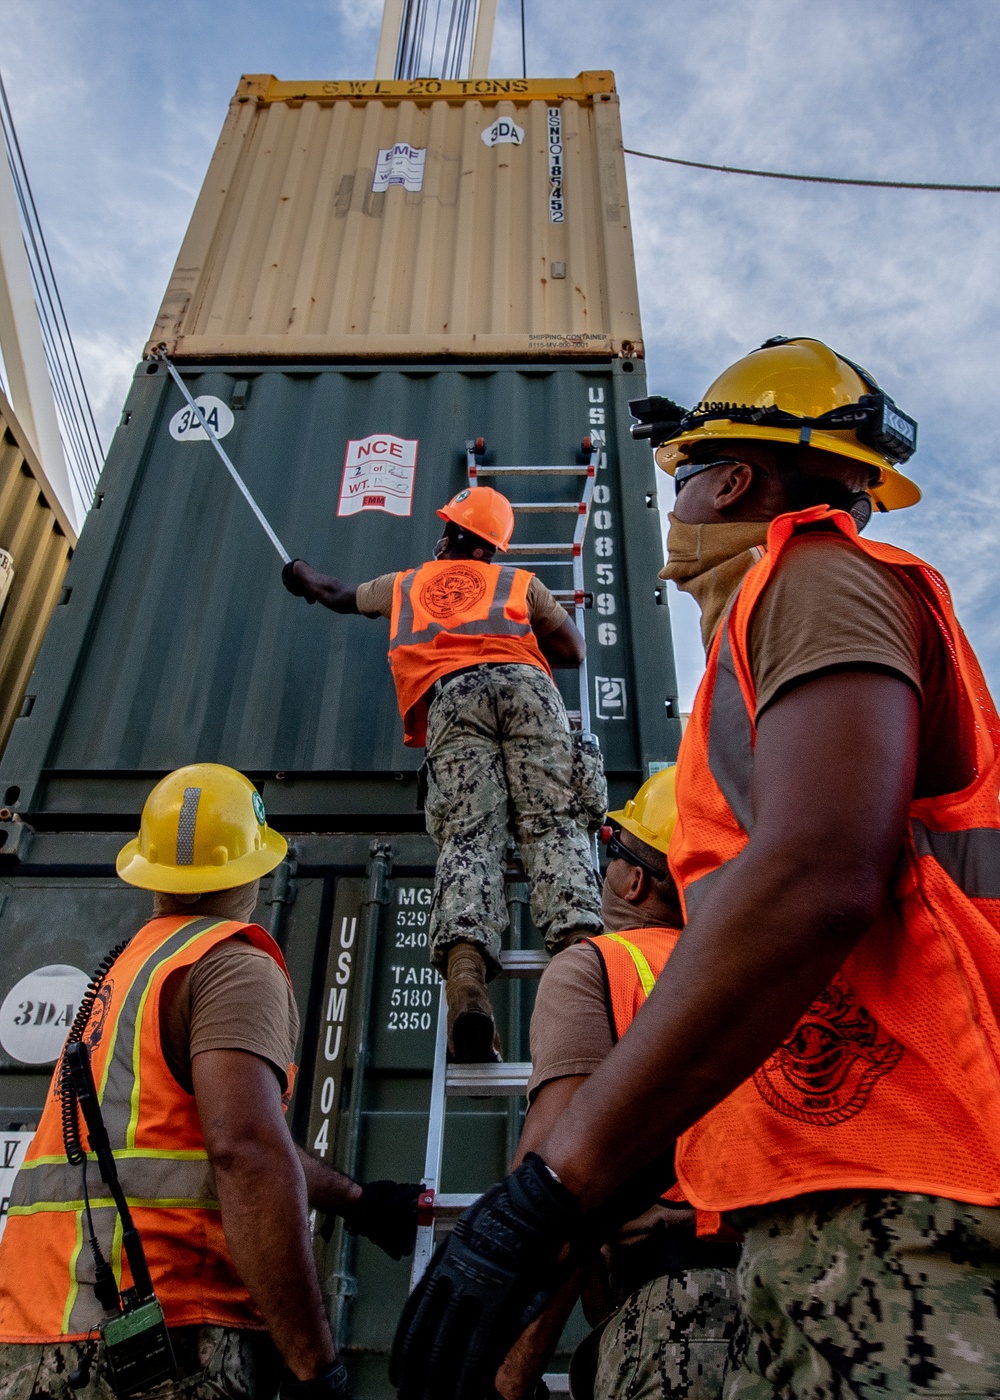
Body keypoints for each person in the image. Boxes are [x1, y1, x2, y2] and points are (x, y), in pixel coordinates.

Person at [393, 336, 1000, 1400]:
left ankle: (467, 953)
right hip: (842, 1177)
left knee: (480, 841)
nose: (673, 510)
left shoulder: (813, 576)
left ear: (729, 478)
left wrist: (552, 1186)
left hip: (909, 1178)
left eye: (681, 479)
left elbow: (820, 874)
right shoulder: (776, 621)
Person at [0, 764, 421, 1400]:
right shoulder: (229, 965)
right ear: (252, 867)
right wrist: (315, 1365)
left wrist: (356, 1201)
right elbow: (245, 1153)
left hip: (36, 1334)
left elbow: (193, 1145)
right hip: (168, 1333)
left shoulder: (127, 972)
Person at [282, 486, 605, 1062]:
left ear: (450, 534)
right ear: (494, 548)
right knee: (555, 827)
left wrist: (302, 573)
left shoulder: (405, 584)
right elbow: (574, 651)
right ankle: (587, 970)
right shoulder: (519, 584)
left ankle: (466, 986)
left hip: (454, 700)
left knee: (470, 838)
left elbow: (334, 594)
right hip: (531, 693)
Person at [495, 768, 739, 1400]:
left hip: (678, 1316)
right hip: (798, 1303)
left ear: (636, 880)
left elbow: (557, 1176)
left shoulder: (601, 965)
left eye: (611, 850)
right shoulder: (760, 981)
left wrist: (514, 1365)